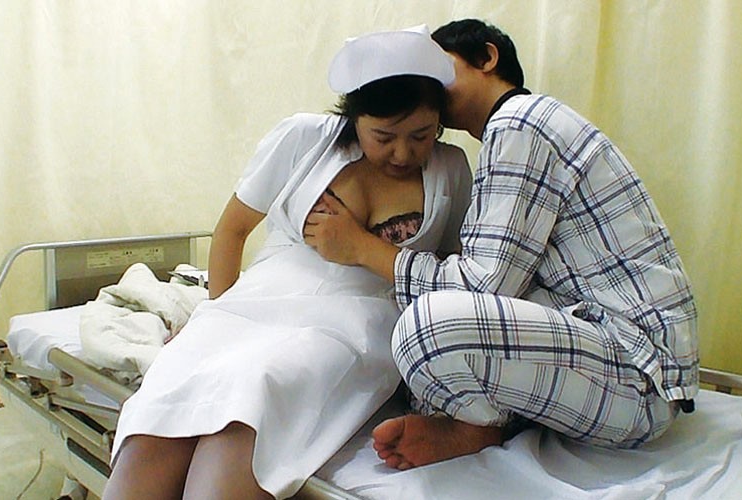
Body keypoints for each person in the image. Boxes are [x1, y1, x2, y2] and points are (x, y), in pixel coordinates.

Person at [304, 18, 699, 471]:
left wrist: (362, 248)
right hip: (615, 357)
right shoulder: (515, 134)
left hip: (639, 376)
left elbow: (484, 286)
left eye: (440, 70)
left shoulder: (520, 122)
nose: (429, 88)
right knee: (414, 351)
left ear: (487, 58)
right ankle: (487, 423)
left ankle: (482, 425)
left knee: (423, 327)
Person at [102, 26, 472, 500]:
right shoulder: (304, 138)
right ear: (355, 117)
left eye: (421, 135)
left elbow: (452, 273)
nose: (403, 152)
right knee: (171, 398)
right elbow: (232, 230)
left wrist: (362, 246)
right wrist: (214, 311)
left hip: (354, 321)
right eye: (384, 136)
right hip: (257, 299)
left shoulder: (450, 169)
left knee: (259, 384)